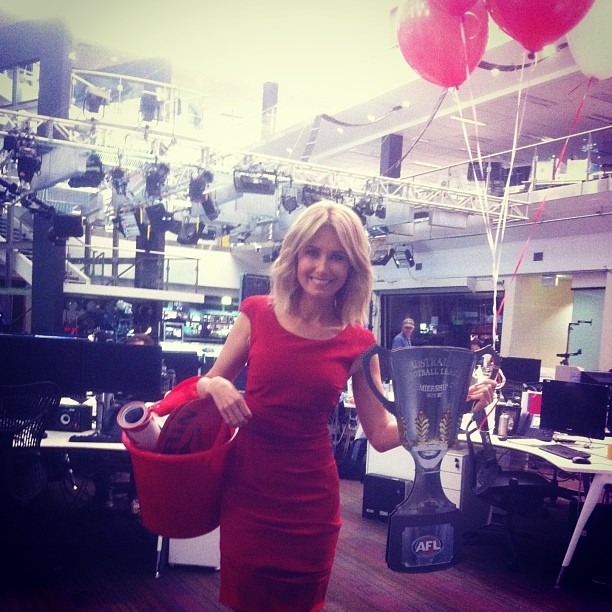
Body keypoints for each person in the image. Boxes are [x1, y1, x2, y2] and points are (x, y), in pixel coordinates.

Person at [194, 200, 496, 612]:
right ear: (295, 255)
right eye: (312, 252)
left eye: (337, 256)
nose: (322, 267)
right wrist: (216, 385)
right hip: (248, 490)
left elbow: (382, 435)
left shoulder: (359, 342)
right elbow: (203, 385)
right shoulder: (257, 314)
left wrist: (455, 408)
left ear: (353, 266)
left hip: (310, 501)